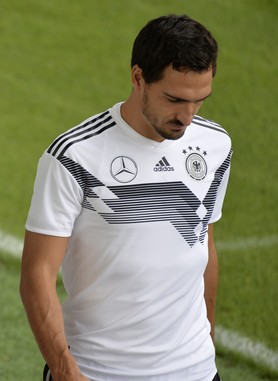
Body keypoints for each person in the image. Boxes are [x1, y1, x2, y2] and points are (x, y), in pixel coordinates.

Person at [20, 14, 231, 381]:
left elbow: (203, 247)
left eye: (200, 101)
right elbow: (37, 275)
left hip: (195, 370)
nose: (188, 116)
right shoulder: (74, 156)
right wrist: (65, 371)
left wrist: (206, 342)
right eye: (175, 99)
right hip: (99, 372)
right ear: (138, 78)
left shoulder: (216, 145)